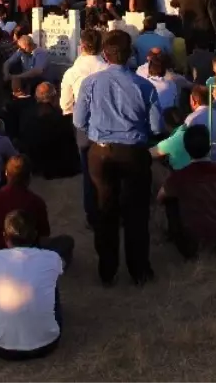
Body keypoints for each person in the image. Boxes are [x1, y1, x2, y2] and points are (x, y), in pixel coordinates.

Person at [73, 29, 164, 285]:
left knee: (105, 210)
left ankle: (107, 270)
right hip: (134, 152)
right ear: (130, 55)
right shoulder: (144, 86)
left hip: (101, 152)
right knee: (136, 213)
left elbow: (79, 120)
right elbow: (157, 127)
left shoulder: (90, 83)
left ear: (105, 54)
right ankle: (139, 271)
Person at [0, 210, 67, 361]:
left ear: (5, 237)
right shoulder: (51, 258)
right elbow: (62, 265)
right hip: (48, 343)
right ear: (34, 236)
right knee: (51, 278)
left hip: (2, 348)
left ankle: (3, 327)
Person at [157, 124, 216, 259]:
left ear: (186, 149)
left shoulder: (180, 177)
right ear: (209, 146)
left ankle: (174, 238)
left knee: (170, 199)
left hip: (192, 246)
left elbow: (160, 197)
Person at [0, 155, 75, 261]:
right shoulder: (36, 202)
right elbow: (43, 235)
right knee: (66, 241)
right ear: (29, 177)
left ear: (6, 174)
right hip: (26, 257)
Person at [19, 82, 81, 179]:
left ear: (36, 97)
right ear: (54, 98)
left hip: (35, 164)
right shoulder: (62, 118)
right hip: (57, 168)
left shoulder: (26, 114)